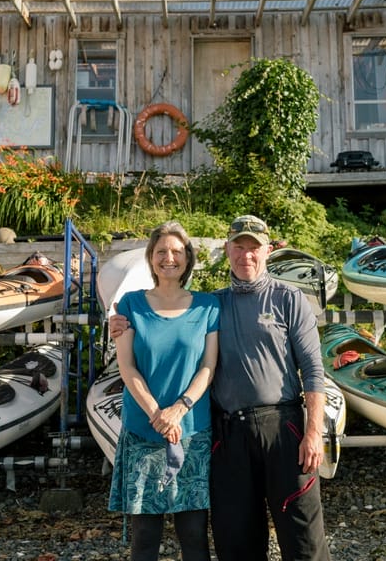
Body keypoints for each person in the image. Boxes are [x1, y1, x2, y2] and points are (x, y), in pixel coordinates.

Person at [112, 214, 331, 561]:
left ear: (268, 251)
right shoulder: (212, 303)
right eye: (239, 247)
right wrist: (118, 324)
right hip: (229, 434)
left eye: (254, 248)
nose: (246, 255)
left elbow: (314, 370)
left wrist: (314, 431)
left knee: (302, 535)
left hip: (282, 426)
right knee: (236, 538)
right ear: (227, 250)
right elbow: (166, 335)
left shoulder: (289, 299)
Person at [109, 221, 220, 561]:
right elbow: (127, 367)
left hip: (191, 431)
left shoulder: (208, 306)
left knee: (194, 535)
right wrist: (157, 413)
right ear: (151, 258)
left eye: (176, 251)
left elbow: (208, 367)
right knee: (144, 538)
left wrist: (179, 409)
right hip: (145, 431)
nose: (168, 258)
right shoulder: (130, 305)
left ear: (188, 258)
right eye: (161, 252)